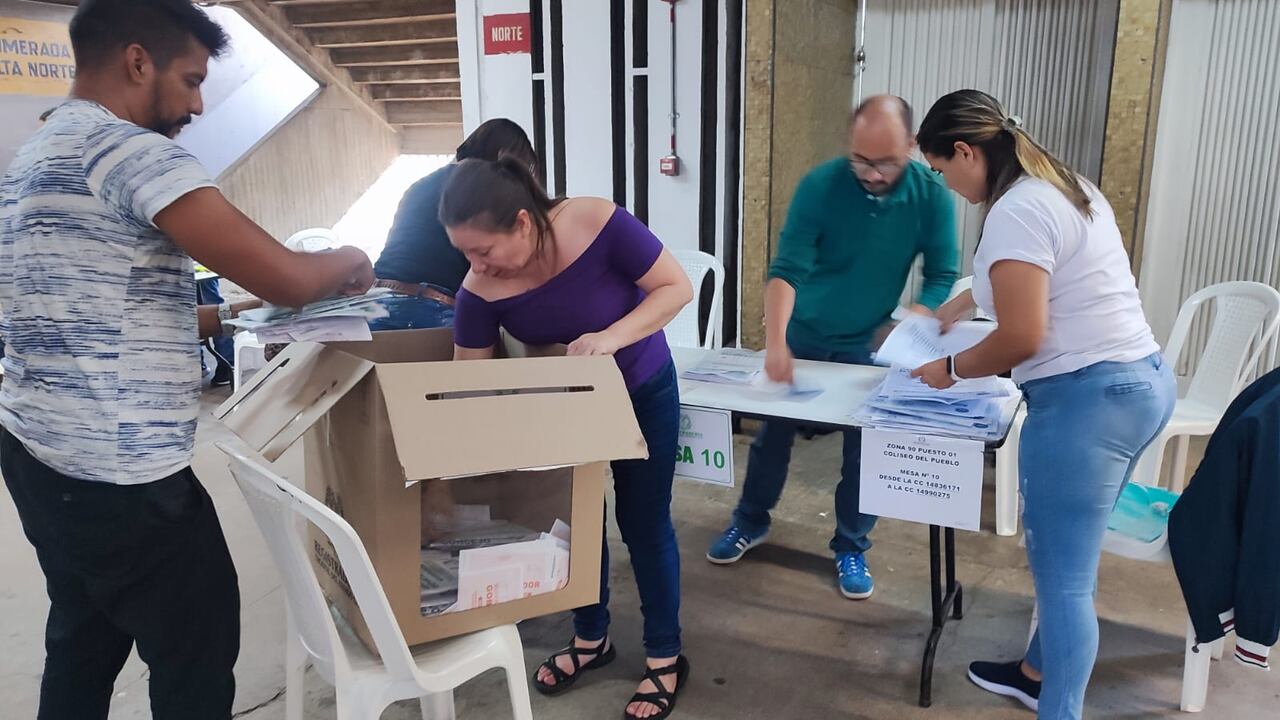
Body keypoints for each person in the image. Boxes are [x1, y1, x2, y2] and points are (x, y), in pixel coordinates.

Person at [0, 2, 374, 719]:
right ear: (137, 61)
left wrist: (231, 312)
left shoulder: (33, 157)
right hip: (123, 476)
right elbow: (289, 278)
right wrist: (351, 258)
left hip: (38, 456)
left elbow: (94, 310)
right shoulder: (131, 152)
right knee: (197, 651)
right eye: (192, 79)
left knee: (83, 640)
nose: (200, 103)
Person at [912, 89, 1176, 719]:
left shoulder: (1015, 211)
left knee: (1064, 585)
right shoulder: (1060, 184)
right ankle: (1035, 671)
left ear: (965, 150)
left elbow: (1021, 337)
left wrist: (948, 369)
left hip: (1087, 404)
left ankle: (1060, 708)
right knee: (1070, 562)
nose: (946, 184)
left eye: (941, 170)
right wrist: (967, 297)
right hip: (1142, 383)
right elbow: (1052, 272)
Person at [442, 157, 694, 720]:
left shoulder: (596, 223)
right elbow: (469, 382)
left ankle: (665, 656)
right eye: (465, 253)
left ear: (525, 224)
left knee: (644, 521)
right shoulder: (478, 292)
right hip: (565, 406)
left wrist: (609, 338)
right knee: (577, 523)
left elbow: (675, 288)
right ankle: (591, 639)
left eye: (484, 250)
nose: (476, 264)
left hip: (640, 387)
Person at [704, 95, 960, 601]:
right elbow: (787, 270)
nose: (871, 173)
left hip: (869, 340)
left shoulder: (932, 196)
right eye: (861, 160)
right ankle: (750, 520)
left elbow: (942, 274)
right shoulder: (820, 186)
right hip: (804, 333)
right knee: (770, 437)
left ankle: (851, 544)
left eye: (885, 162)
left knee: (866, 447)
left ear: (911, 145)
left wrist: (917, 316)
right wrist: (776, 343)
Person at [369, 118, 537, 331]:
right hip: (427, 309)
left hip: (374, 300)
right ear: (503, 159)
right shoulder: (480, 188)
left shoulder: (421, 185)